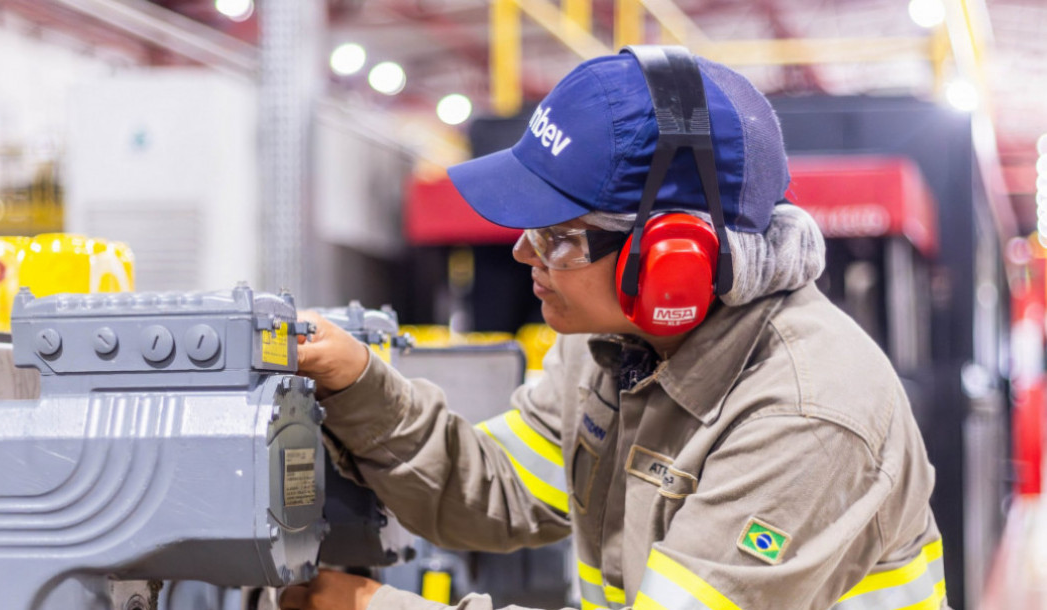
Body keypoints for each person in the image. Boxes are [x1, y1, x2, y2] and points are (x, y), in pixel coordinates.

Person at [281, 47, 947, 610]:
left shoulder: (808, 415)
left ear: (673, 261)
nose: (523, 253)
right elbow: (495, 489)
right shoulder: (616, 353)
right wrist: (357, 383)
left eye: (558, 237)